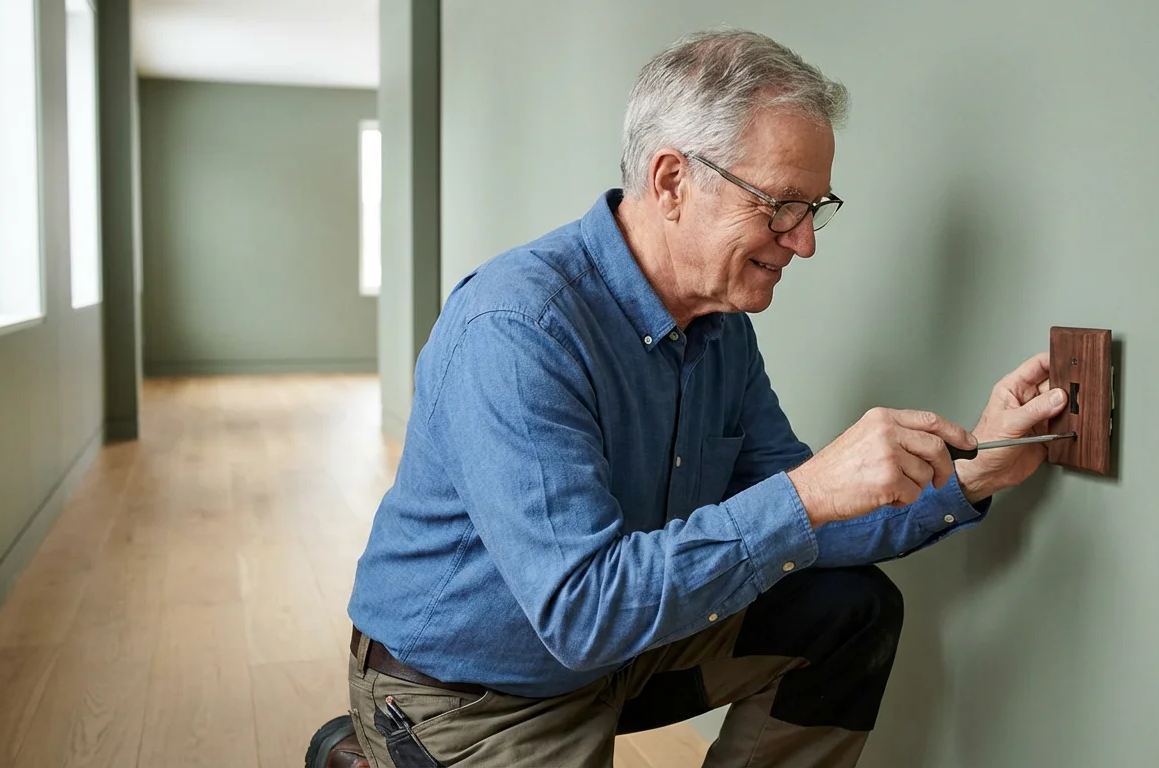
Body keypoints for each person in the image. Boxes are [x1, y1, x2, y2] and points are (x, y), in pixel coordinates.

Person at [341, 27, 1067, 768]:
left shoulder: (720, 329)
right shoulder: (517, 329)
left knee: (852, 611)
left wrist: (970, 474)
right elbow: (583, 612)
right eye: (780, 204)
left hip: (615, 657)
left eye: (815, 207)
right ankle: (375, 750)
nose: (804, 240)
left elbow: (808, 523)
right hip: (469, 694)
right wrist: (808, 492)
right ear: (670, 182)